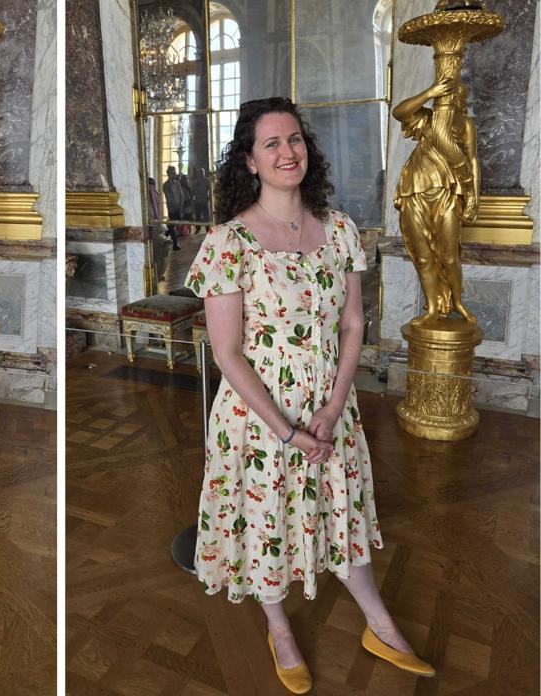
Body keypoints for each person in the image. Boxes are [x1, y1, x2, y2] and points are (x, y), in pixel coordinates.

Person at [184, 97, 435, 693]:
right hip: (260, 419)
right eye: (270, 144)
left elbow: (353, 325)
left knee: (339, 512)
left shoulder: (341, 230)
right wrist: (289, 429)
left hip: (331, 410)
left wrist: (331, 406)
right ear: (249, 160)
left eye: (293, 140)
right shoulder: (228, 243)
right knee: (267, 518)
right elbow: (228, 354)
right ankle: (281, 629)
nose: (286, 152)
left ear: (307, 149)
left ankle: (380, 624)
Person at [392, 78, 478, 325]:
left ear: (461, 101)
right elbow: (399, 112)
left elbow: (472, 161)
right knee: (422, 257)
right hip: (414, 192)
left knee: (450, 257)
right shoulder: (427, 119)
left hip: (447, 193)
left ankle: (457, 303)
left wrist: (473, 197)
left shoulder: (466, 125)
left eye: (453, 97)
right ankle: (431, 309)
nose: (448, 101)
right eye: (444, 96)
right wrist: (429, 91)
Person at [163, 165, 187, 250]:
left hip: (179, 207)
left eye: (174, 172)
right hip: (172, 208)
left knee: (173, 225)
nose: (175, 174)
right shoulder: (166, 185)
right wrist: (176, 208)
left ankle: (165, 235)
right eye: (173, 172)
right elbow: (169, 198)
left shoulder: (177, 183)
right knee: (172, 225)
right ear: (169, 173)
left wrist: (181, 206)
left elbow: (181, 195)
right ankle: (175, 243)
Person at [191, 167, 212, 233]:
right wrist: (193, 200)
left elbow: (210, 190)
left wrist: (209, 197)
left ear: (204, 173)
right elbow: (192, 192)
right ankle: (198, 228)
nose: (201, 174)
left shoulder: (207, 181)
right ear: (198, 174)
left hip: (204, 201)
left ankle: (208, 229)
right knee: (198, 216)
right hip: (197, 201)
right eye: (199, 173)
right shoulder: (195, 183)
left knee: (206, 216)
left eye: (202, 172)